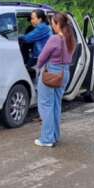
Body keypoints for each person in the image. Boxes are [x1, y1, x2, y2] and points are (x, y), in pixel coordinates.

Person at [34, 13, 75, 147]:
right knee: (56, 105)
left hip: (51, 74)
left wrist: (38, 68)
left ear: (58, 24)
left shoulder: (54, 39)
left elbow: (42, 57)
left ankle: (46, 139)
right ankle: (55, 136)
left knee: (45, 106)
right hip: (65, 74)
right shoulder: (71, 39)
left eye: (53, 23)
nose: (52, 26)